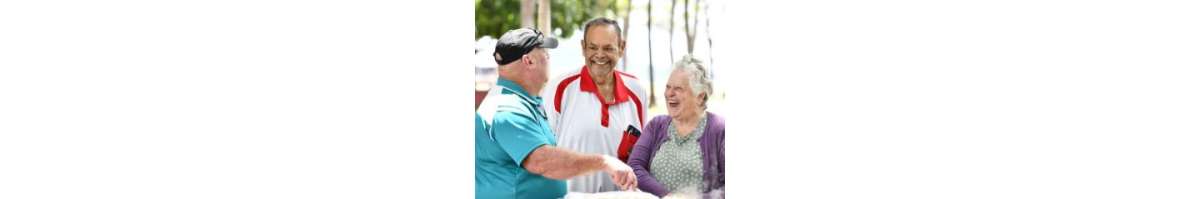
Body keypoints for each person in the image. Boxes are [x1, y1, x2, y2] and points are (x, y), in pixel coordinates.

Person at [476, 27, 637, 199]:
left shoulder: (520, 101)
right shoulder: (506, 110)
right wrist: (604, 162)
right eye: (544, 53)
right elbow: (544, 162)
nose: (548, 57)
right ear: (528, 61)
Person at [541, 17, 650, 193]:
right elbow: (543, 154)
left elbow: (642, 155)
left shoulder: (637, 91)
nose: (599, 55)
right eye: (593, 47)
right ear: (583, 47)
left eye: (608, 48)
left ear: (621, 48)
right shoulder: (560, 88)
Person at [628, 56, 725, 198]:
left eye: (678, 89)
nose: (669, 94)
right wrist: (667, 196)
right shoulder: (656, 125)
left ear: (700, 96)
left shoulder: (719, 129)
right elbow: (634, 167)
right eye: (668, 87)